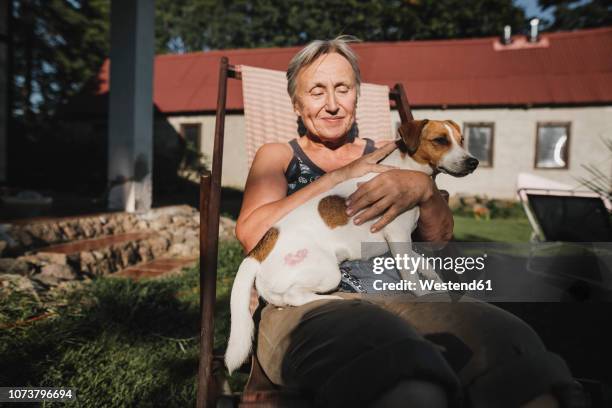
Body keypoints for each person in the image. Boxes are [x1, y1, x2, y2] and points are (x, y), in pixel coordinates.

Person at [234, 36, 575, 407]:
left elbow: (440, 241)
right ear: (297, 104)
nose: (332, 104)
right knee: (399, 368)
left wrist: (423, 189)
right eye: (317, 92)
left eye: (343, 89)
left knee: (510, 341)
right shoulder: (279, 155)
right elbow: (252, 235)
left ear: (357, 97)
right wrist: (338, 176)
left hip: (402, 292)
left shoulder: (399, 151)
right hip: (310, 305)